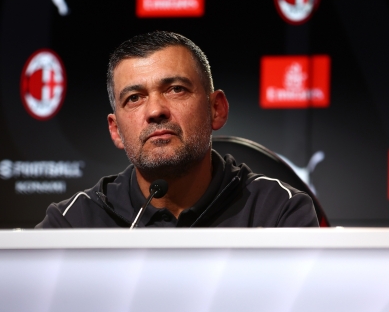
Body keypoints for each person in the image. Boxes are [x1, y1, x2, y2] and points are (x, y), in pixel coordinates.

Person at [36, 31, 318, 228]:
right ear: (115, 130)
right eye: (134, 98)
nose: (155, 110)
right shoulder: (72, 224)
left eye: (175, 89)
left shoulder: (278, 211)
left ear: (216, 109)